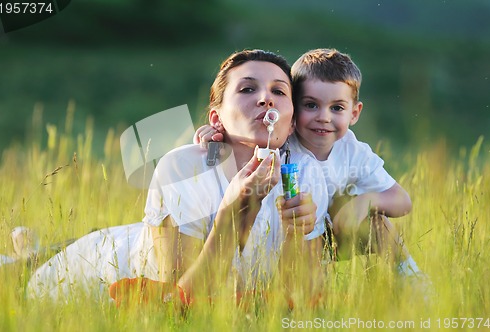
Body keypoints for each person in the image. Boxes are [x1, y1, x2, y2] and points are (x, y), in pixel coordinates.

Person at [28, 50, 328, 307]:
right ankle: (27, 255)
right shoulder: (184, 167)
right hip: (91, 273)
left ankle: (29, 248)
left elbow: (302, 301)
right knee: (13, 274)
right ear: (216, 118)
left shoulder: (307, 173)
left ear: (290, 125)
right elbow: (181, 303)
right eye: (247, 89)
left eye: (279, 91)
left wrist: (295, 234)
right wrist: (234, 214)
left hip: (143, 235)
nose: (266, 99)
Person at [195, 48, 425, 280]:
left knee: (378, 224)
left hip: (334, 229)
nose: (323, 117)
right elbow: (244, 142)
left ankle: (412, 280)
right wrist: (215, 133)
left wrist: (365, 202)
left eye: (337, 108)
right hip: (287, 236)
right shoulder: (282, 140)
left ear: (354, 113)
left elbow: (403, 201)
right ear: (292, 110)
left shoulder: (353, 151)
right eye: (311, 105)